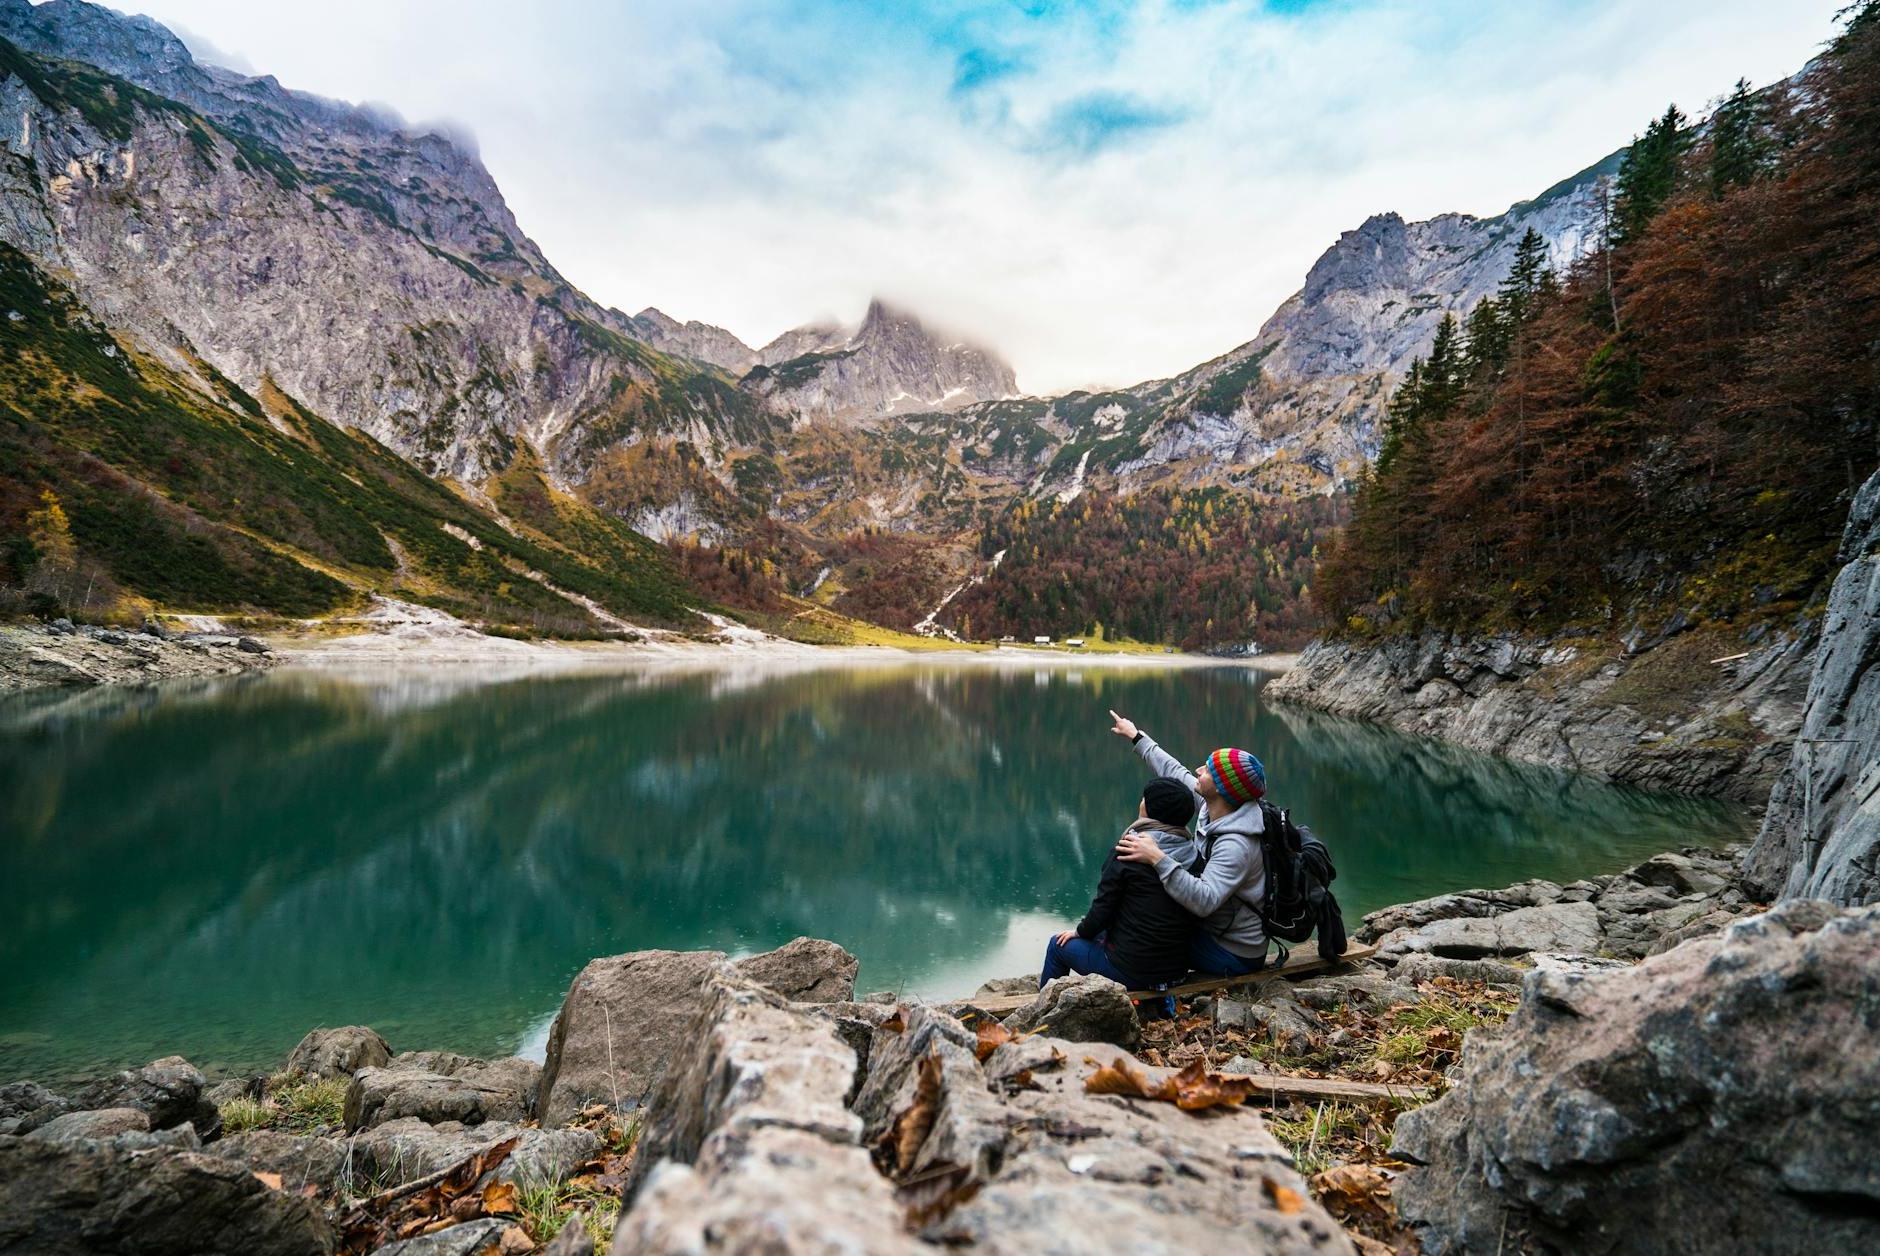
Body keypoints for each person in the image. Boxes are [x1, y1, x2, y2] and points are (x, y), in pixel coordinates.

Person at [1106, 709, 1270, 977]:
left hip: (1233, 951)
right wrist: (1136, 736)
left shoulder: (1237, 845)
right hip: (1215, 927)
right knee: (1140, 922)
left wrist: (1158, 857)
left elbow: (1205, 900)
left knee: (1140, 937)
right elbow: (1173, 769)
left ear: (1221, 787)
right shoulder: (1214, 805)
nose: (1198, 770)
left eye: (1207, 770)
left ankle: (1148, 997)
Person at [1039, 777, 1201, 994]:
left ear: (1151, 808)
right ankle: (1162, 1004)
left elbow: (1103, 908)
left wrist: (1079, 932)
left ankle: (1043, 1015)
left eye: (1145, 798)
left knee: (1057, 946)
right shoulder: (1193, 852)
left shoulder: (1128, 851)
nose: (1141, 801)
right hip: (1176, 971)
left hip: (1132, 973)